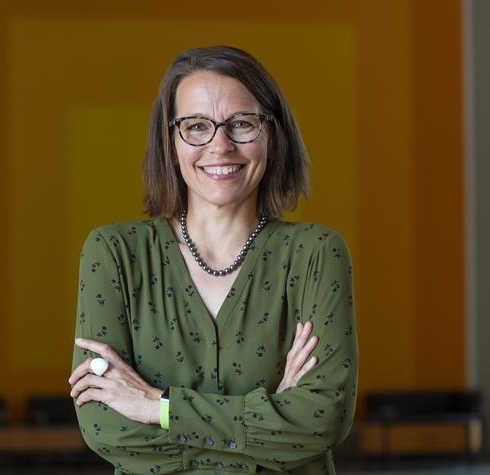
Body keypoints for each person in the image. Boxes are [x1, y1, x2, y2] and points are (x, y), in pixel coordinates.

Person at [68, 45, 358, 475]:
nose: (220, 145)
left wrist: (157, 406)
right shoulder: (114, 253)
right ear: (169, 141)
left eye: (242, 124)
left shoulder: (316, 254)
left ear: (273, 135)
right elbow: (107, 430)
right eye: (196, 126)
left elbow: (322, 421)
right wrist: (270, 420)